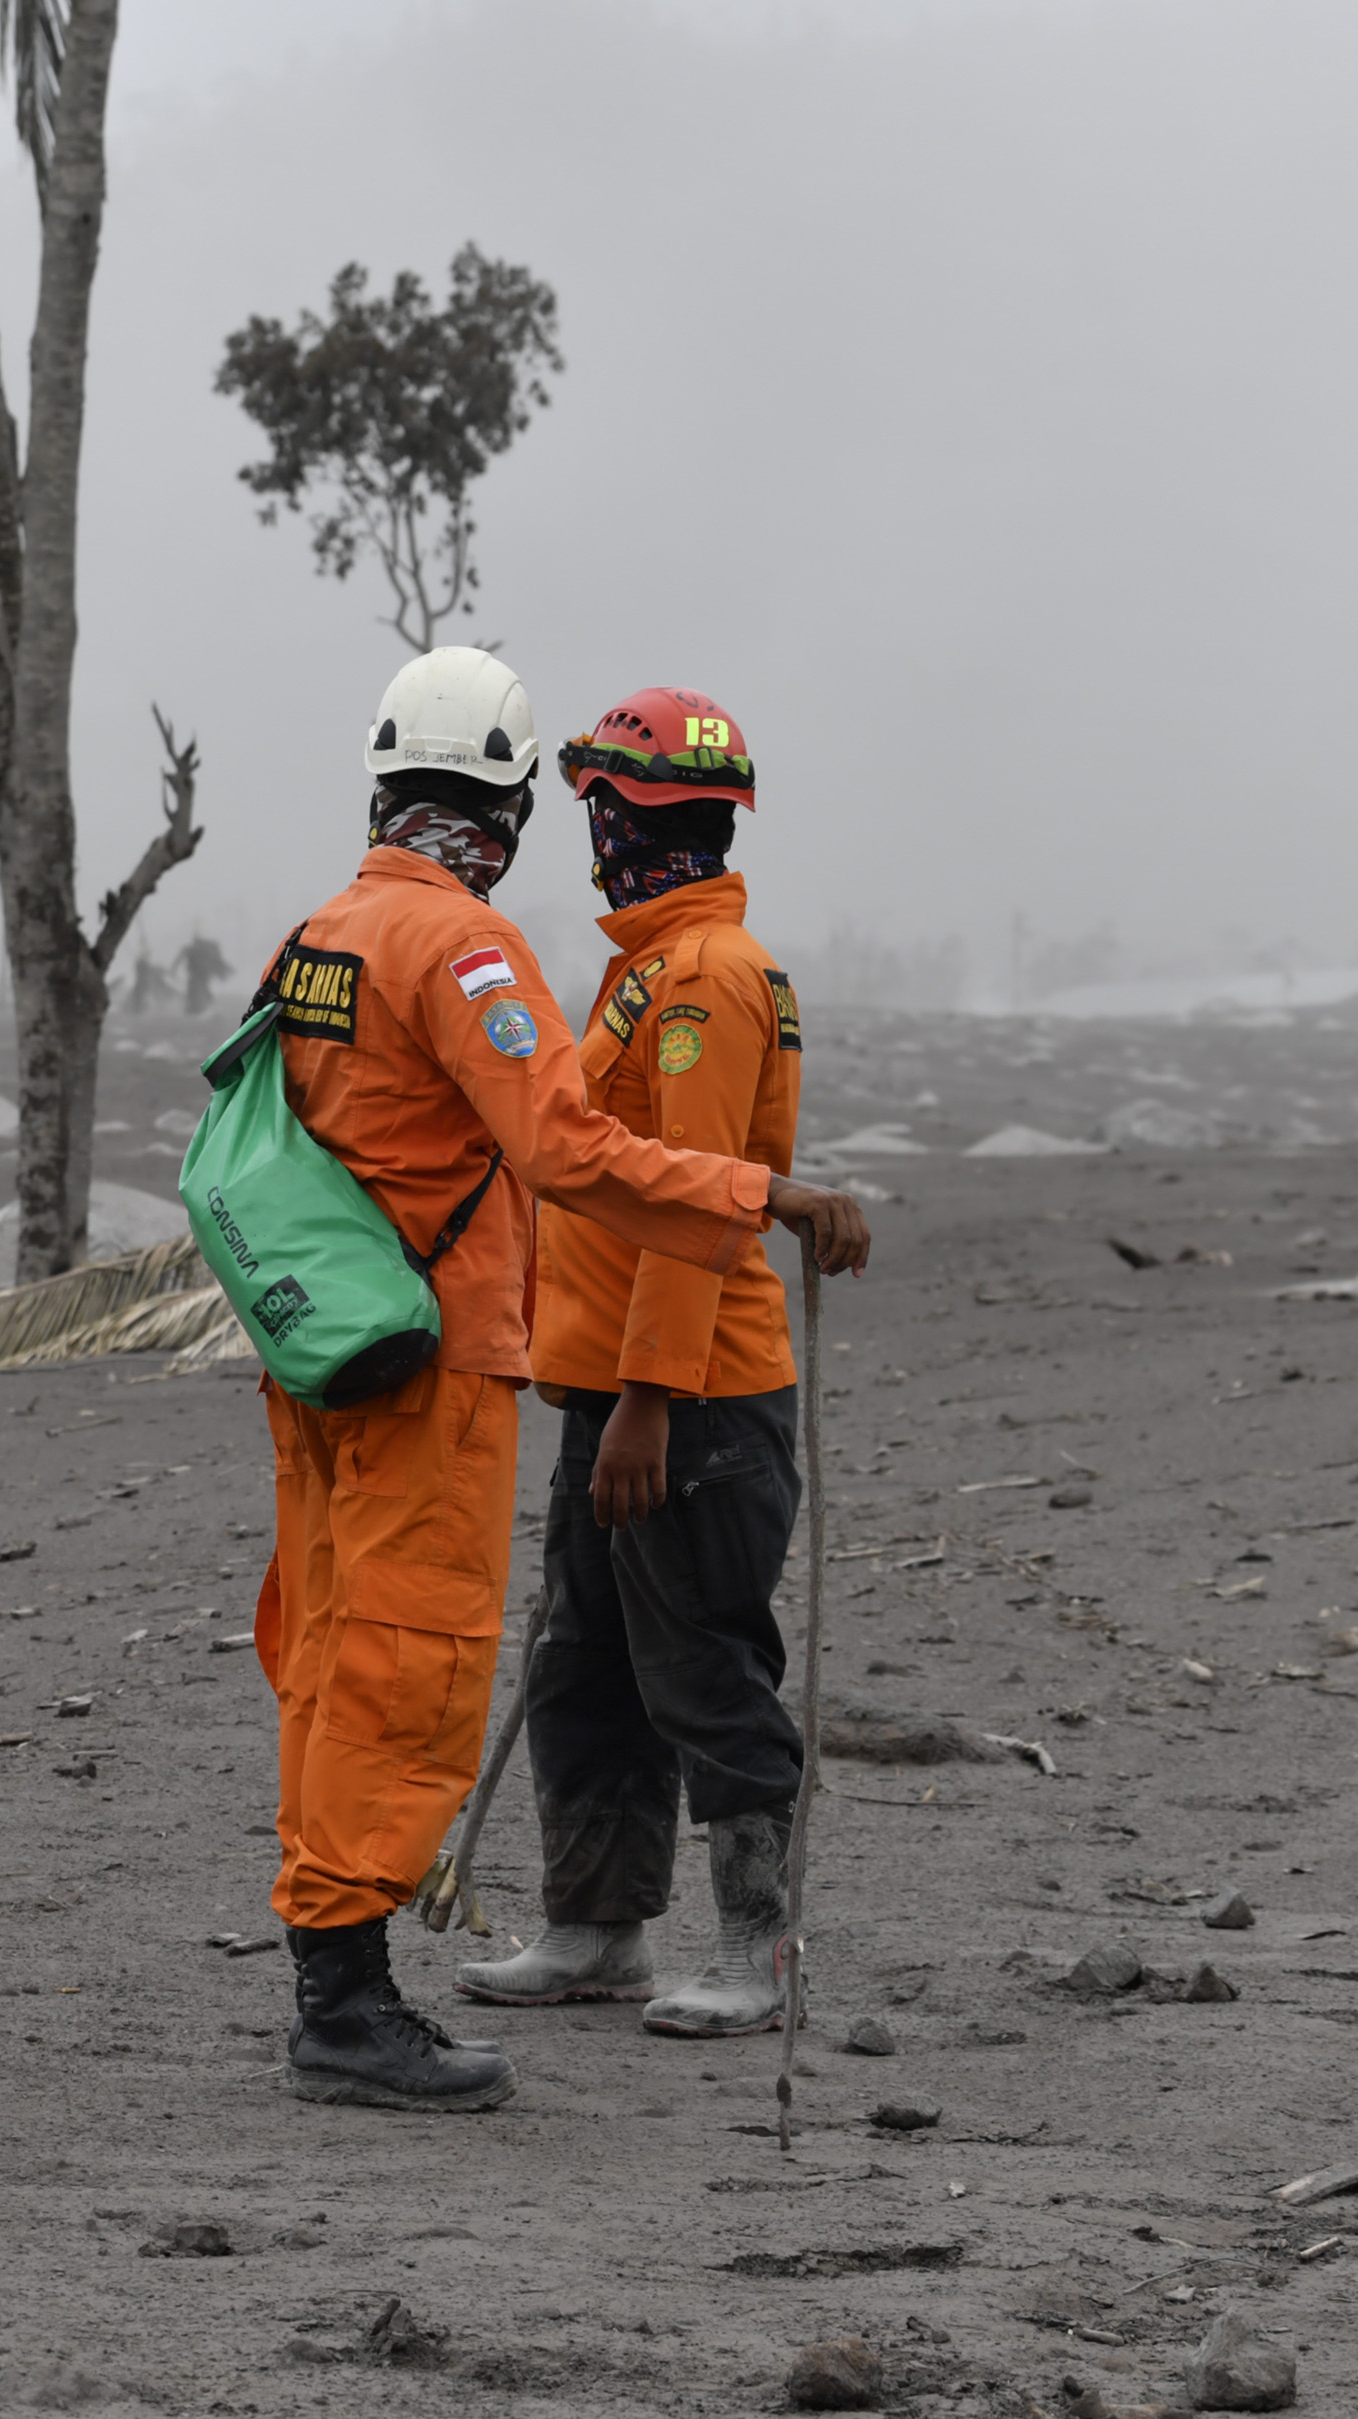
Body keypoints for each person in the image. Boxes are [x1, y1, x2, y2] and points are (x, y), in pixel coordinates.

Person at [248, 648, 870, 2113]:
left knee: (413, 1650)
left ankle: (725, 1943)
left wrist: (652, 1380)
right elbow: (570, 1154)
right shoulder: (470, 953)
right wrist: (765, 1198)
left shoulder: (323, 935)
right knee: (416, 1660)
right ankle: (348, 1995)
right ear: (517, 802)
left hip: (355, 1355)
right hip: (436, 1362)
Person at [457, 686, 814, 2038]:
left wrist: (650, 1405)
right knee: (585, 1664)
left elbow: (700, 1203)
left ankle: (757, 1954)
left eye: (598, 808)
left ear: (622, 815)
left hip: (693, 1400)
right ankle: (597, 1931)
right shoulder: (648, 968)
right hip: (613, 1391)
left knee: (705, 1669)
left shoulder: (707, 983)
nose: (591, 833)